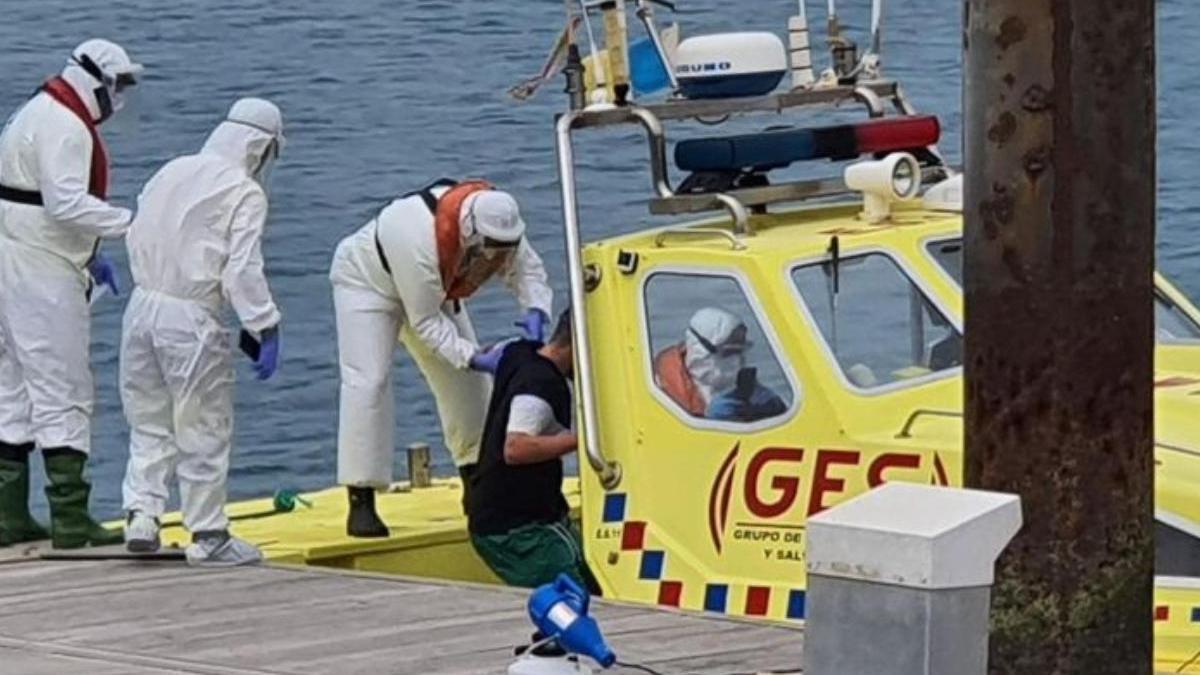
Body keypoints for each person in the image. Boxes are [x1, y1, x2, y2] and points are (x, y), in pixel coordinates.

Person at [329, 178, 553, 538]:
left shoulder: (501, 222)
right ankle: (362, 499)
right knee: (368, 383)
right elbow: (426, 322)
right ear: (468, 231)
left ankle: (476, 485)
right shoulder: (413, 234)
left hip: (436, 289)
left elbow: (527, 269)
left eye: (503, 248)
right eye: (489, 249)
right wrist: (474, 356)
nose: (495, 257)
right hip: (368, 284)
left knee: (468, 388)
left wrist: (537, 308)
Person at [119, 98, 284, 566]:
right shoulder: (244, 193)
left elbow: (136, 232)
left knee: (148, 419)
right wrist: (264, 324)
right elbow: (241, 272)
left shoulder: (172, 170)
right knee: (203, 423)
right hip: (190, 318)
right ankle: (209, 533)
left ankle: (142, 515)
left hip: (141, 306)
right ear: (261, 147)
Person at [0, 39, 143, 549]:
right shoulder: (65, 124)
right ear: (95, 79)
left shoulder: (33, 111)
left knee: (12, 386)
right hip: (43, 268)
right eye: (118, 84)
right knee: (64, 386)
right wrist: (131, 224)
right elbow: (64, 203)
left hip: (13, 257)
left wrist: (89, 248)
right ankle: (70, 518)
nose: (120, 95)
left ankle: (9, 514)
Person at [466, 310, 593, 590]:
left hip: (525, 514)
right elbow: (516, 448)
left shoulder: (520, 351)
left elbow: (493, 353)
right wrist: (585, 440)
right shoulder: (540, 385)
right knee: (579, 597)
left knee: (595, 579)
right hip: (516, 527)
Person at [653, 307, 786, 423]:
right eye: (728, 353)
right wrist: (712, 423)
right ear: (700, 351)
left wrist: (774, 408)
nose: (737, 361)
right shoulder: (660, 392)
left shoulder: (746, 389)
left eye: (739, 352)